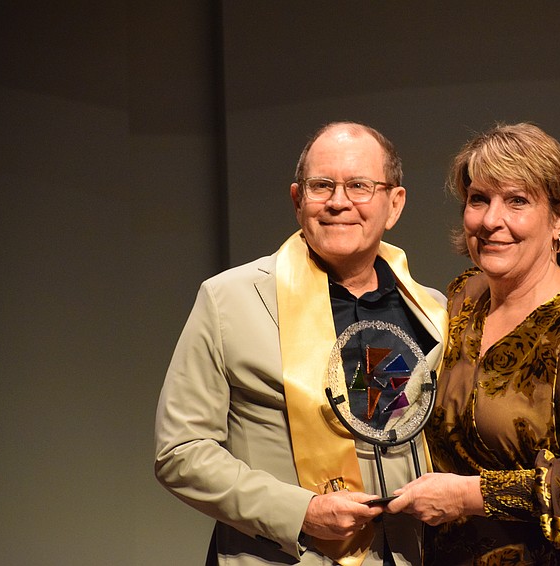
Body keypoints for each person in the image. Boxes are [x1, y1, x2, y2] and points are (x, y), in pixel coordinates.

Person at [154, 121, 448, 565]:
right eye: (321, 186)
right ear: (298, 200)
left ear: (394, 204)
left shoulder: (433, 312)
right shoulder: (230, 300)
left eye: (359, 186)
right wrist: (301, 512)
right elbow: (181, 452)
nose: (338, 202)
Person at [386, 123, 560, 565]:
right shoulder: (462, 298)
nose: (491, 220)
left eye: (517, 200)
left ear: (559, 217)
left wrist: (470, 496)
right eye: (479, 199)